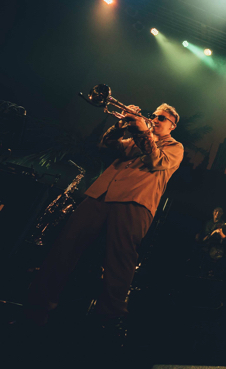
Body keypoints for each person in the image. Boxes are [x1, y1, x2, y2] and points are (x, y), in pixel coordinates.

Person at [26, 103, 183, 330]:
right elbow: (107, 144)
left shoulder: (175, 147)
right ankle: (38, 306)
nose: (156, 120)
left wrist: (143, 131)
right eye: (154, 116)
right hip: (101, 194)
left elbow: (156, 161)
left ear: (172, 125)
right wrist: (121, 125)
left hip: (135, 202)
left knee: (120, 259)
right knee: (65, 245)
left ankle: (109, 319)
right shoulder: (134, 140)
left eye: (162, 118)